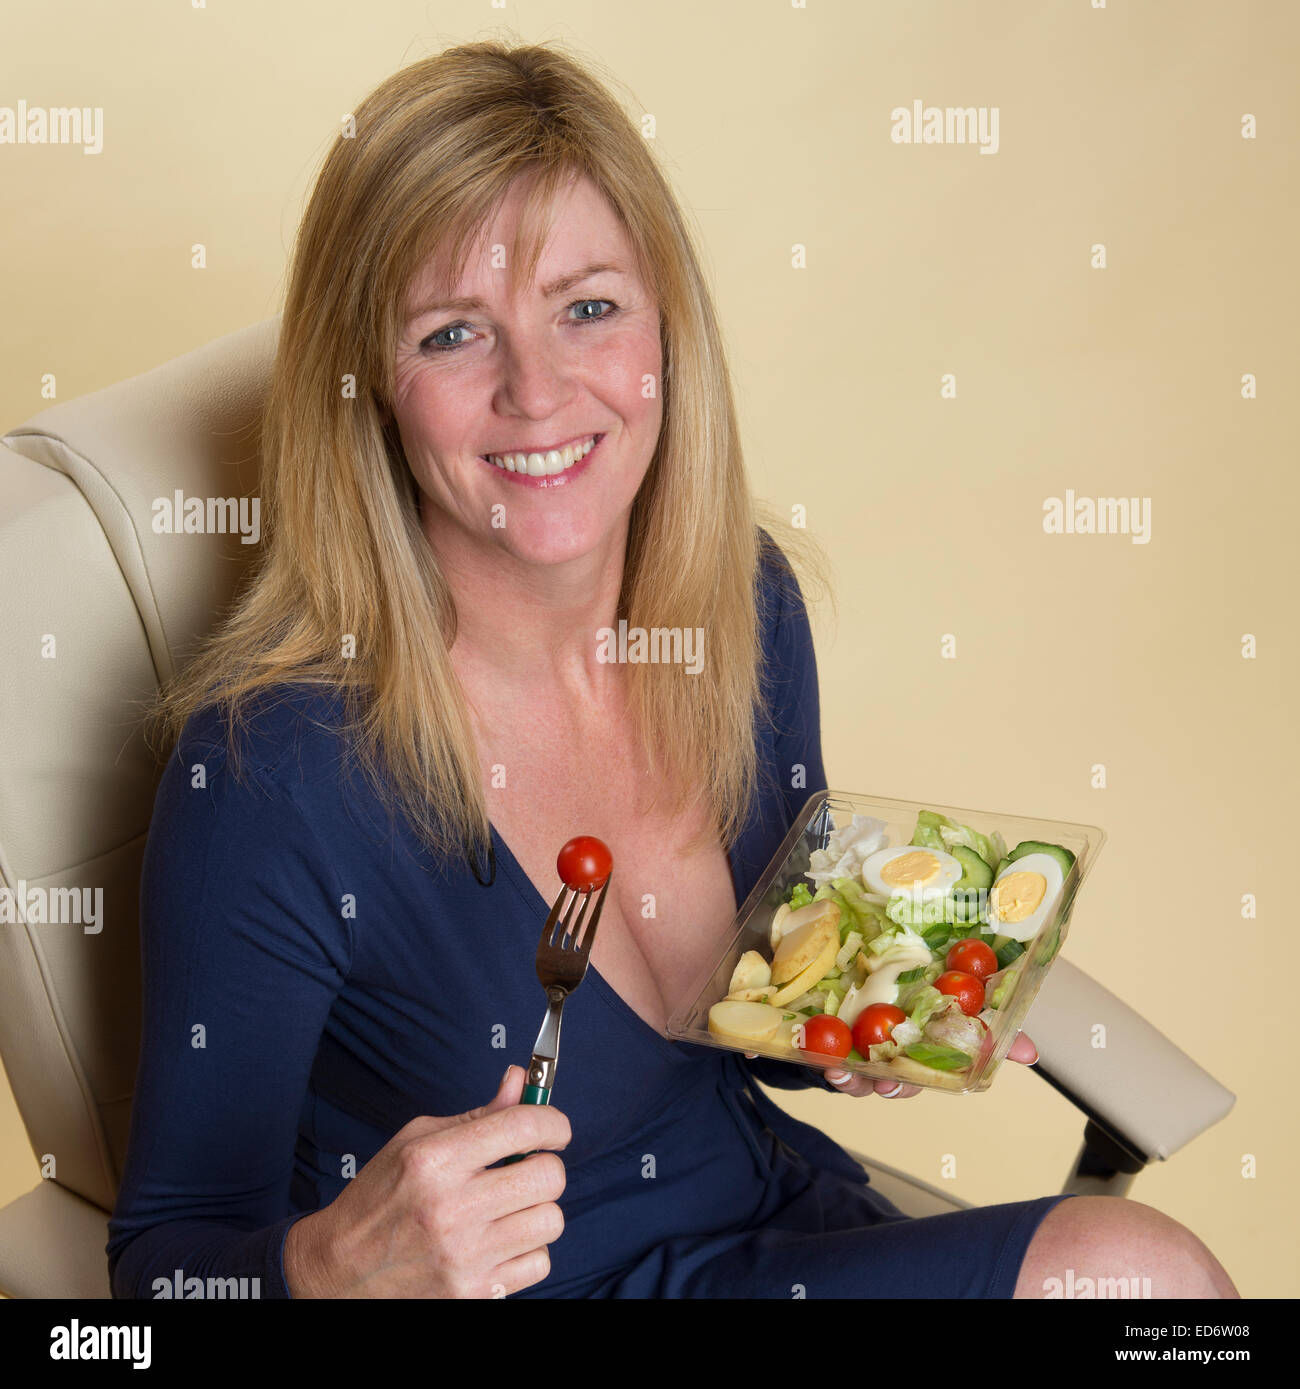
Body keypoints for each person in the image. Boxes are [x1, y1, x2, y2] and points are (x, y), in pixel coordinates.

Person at [106, 38, 1238, 1300]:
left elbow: (740, 1005)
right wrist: (322, 1268)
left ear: (665, 333)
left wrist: (847, 1029)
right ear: (367, 386)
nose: (538, 393)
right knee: (1136, 1274)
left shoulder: (737, 608)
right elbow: (153, 1287)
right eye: (453, 333)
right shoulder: (275, 777)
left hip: (771, 1221)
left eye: (586, 308)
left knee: (1141, 1291)